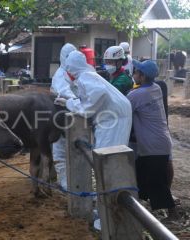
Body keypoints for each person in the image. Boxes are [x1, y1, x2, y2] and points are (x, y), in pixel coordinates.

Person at [126, 60, 179, 219]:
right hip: (161, 141)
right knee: (140, 176)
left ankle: (172, 213)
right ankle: (139, 207)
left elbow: (123, 108)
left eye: (136, 72)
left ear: (141, 76)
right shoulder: (156, 88)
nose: (133, 74)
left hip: (152, 145)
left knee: (157, 183)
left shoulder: (135, 95)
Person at [54, 50, 132, 149]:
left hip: (113, 118)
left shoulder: (85, 77)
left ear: (71, 67)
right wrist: (68, 102)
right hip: (116, 114)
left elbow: (90, 105)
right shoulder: (87, 74)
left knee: (107, 154)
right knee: (109, 153)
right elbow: (88, 100)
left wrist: (69, 104)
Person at [50, 43, 77, 190]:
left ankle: (73, 181)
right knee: (60, 151)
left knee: (75, 149)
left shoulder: (74, 73)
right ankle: (65, 183)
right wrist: (78, 102)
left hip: (75, 114)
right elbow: (65, 92)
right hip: (61, 116)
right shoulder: (60, 75)